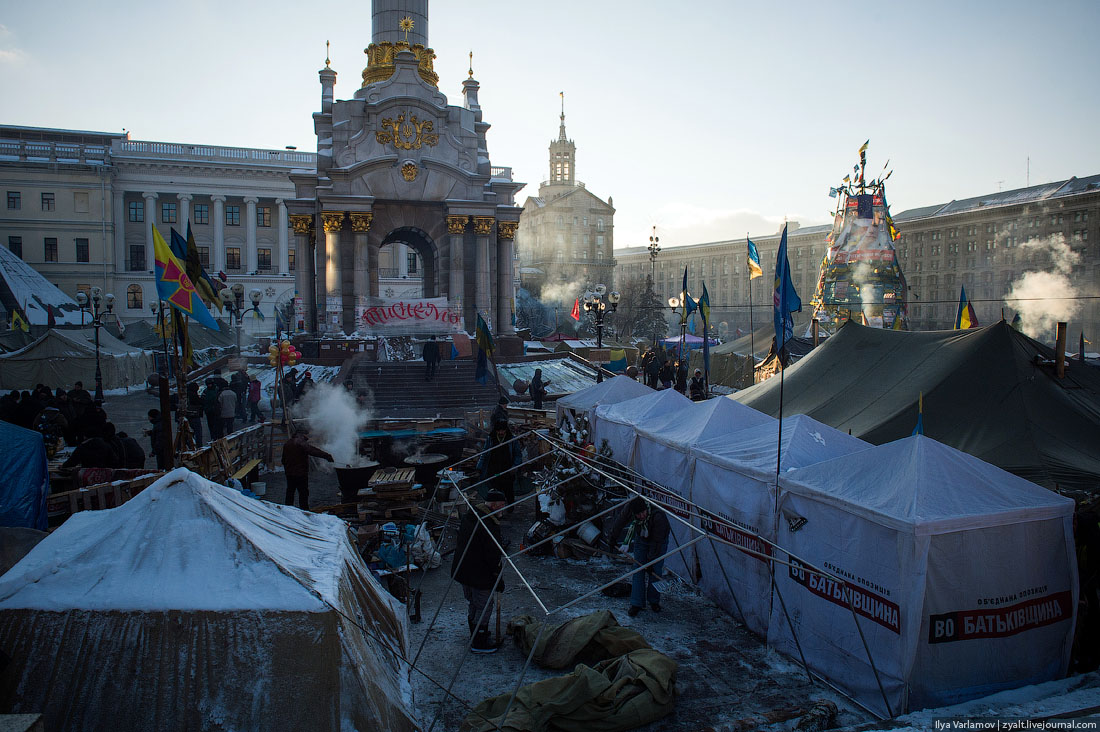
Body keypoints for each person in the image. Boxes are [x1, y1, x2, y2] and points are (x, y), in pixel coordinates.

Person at [451, 488, 507, 653]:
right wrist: (498, 578)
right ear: (495, 505)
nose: (503, 509)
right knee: (484, 605)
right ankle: (479, 641)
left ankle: (475, 633)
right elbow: (492, 555)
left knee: (474, 602)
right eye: (502, 505)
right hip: (479, 574)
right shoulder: (488, 525)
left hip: (464, 569)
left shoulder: (472, 516)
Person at [609, 496, 671, 617]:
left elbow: (657, 543)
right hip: (642, 537)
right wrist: (612, 537)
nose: (641, 516)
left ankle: (654, 601)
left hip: (658, 541)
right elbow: (620, 521)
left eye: (643, 513)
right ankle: (636, 603)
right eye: (638, 515)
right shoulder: (630, 509)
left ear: (646, 509)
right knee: (638, 569)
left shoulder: (658, 516)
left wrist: (651, 561)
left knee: (655, 571)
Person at [280, 429, 334, 510]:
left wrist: (288, 468)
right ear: (303, 434)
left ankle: (288, 510)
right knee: (303, 493)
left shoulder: (287, 443)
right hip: (300, 474)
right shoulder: (301, 443)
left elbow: (283, 460)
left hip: (289, 473)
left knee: (290, 492)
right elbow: (313, 451)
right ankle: (304, 510)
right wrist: (327, 456)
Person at [477, 421, 522, 512]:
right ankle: (496, 509)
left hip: (507, 470)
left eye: (503, 431)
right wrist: (479, 466)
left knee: (508, 490)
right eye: (499, 431)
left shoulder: (512, 439)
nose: (501, 433)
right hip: (494, 470)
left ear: (506, 430)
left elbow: (517, 454)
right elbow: (485, 453)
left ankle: (510, 508)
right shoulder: (491, 439)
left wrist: (515, 466)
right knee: (495, 490)